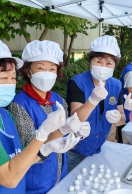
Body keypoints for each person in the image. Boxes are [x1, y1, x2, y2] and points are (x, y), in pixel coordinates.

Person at [0, 39, 79, 194]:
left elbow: (20, 160)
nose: (10, 84)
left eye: (13, 78)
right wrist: (41, 135)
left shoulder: (4, 115)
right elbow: (9, 178)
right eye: (3, 78)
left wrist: (44, 151)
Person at [8, 40, 89, 194]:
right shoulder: (19, 104)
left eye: (52, 69)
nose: (47, 73)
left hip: (59, 174)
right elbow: (29, 148)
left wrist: (77, 133)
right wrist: (63, 129)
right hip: (35, 180)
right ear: (28, 70)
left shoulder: (57, 99)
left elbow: (65, 137)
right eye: (40, 68)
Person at [66, 35, 126, 171]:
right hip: (76, 150)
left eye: (109, 63)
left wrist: (118, 117)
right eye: (99, 61)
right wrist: (93, 100)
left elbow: (123, 119)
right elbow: (75, 118)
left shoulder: (116, 85)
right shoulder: (78, 83)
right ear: (90, 62)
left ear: (114, 66)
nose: (103, 66)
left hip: (101, 148)